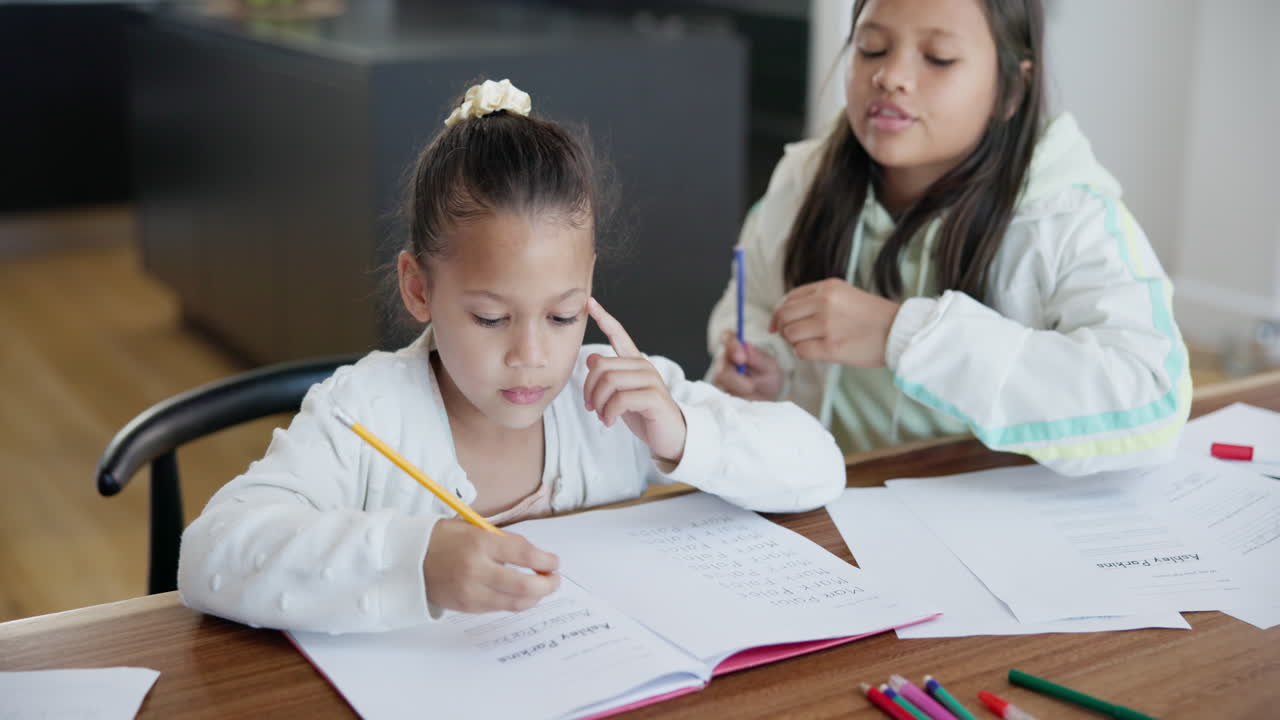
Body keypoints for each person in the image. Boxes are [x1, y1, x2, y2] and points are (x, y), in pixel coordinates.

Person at [178, 79, 845, 634]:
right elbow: (212, 554)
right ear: (419, 288)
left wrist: (683, 435)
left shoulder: (612, 397)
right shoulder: (364, 415)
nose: (532, 356)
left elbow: (819, 466)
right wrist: (418, 562)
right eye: (492, 317)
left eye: (563, 314)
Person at [707, 0, 1189, 475]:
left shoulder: (1069, 218)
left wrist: (904, 336)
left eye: (938, 58)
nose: (890, 76)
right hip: (825, 500)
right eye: (872, 48)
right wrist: (769, 367)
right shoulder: (802, 180)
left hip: (987, 522)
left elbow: (1152, 404)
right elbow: (754, 305)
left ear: (1011, 91)